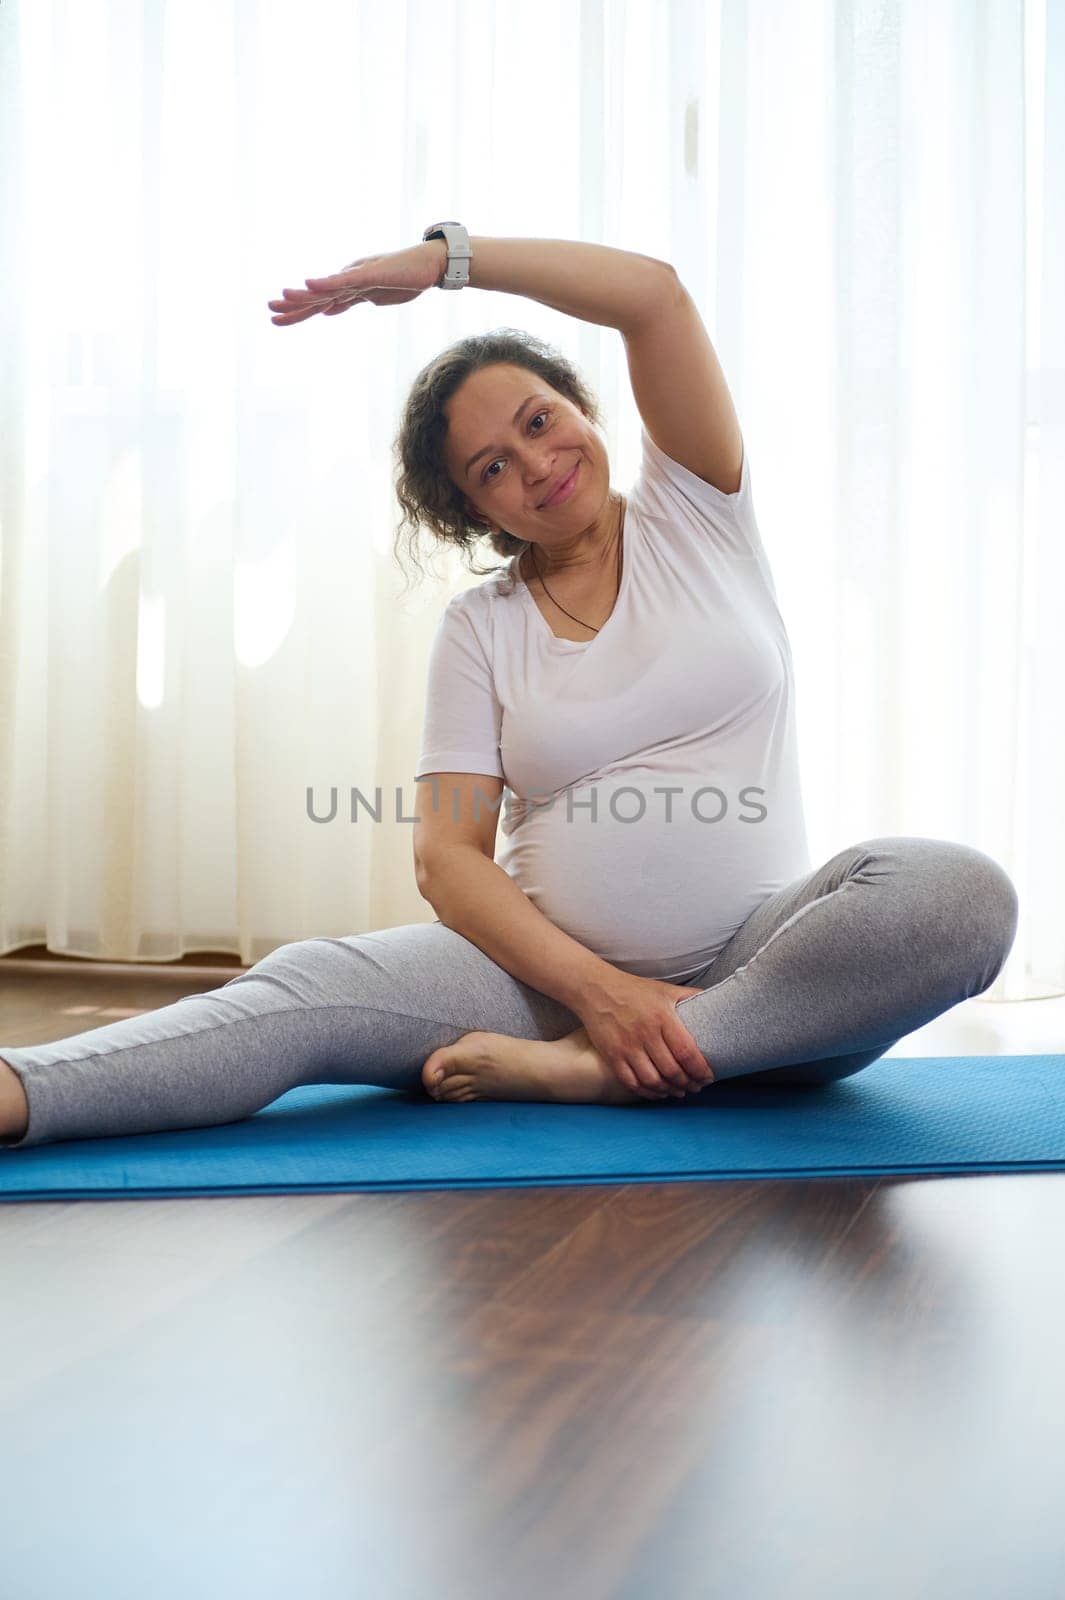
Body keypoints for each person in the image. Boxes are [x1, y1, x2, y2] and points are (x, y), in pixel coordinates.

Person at [0, 233, 1018, 1151]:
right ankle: (17, 1091)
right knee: (306, 986)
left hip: (770, 983)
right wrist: (602, 996)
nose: (538, 462)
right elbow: (447, 856)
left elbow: (654, 297)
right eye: (495, 465)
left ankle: (601, 1077)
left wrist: (448, 261)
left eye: (541, 419)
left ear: (579, 404)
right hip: (539, 989)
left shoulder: (698, 516)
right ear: (472, 507)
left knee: (958, 894)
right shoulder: (480, 629)